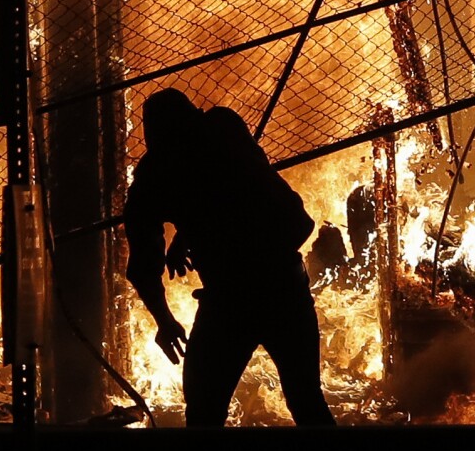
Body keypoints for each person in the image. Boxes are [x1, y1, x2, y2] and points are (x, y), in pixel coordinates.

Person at [122, 88, 336, 427]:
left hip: (231, 299)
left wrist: (164, 321)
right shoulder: (223, 125)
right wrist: (186, 233)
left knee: (205, 409)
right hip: (283, 281)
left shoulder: (156, 174)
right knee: (306, 399)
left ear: (153, 134)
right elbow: (230, 191)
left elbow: (144, 266)